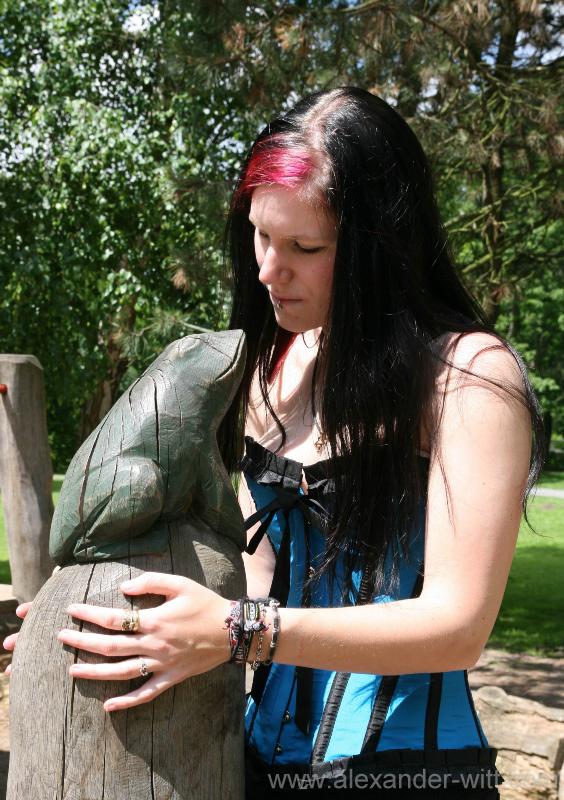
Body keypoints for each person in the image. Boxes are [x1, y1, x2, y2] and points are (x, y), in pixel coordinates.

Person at [4, 87, 544, 798]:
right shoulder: (274, 370)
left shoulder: (468, 378)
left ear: (380, 250)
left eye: (304, 247)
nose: (267, 270)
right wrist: (104, 620)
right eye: (261, 235)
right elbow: (252, 582)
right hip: (252, 767)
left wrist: (237, 631)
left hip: (408, 777)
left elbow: (458, 626)